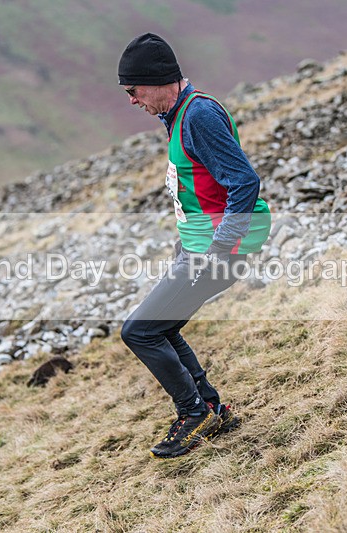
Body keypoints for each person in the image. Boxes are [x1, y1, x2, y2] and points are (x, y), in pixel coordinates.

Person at [117, 33, 271, 459]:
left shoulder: (198, 115)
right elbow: (202, 188)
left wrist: (218, 250)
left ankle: (194, 412)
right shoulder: (179, 113)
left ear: (156, 80)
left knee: (140, 331)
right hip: (198, 245)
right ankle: (211, 408)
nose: (131, 100)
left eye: (133, 90)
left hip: (217, 251)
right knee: (160, 327)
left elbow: (244, 182)